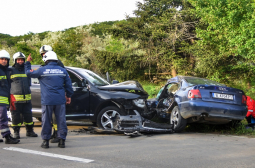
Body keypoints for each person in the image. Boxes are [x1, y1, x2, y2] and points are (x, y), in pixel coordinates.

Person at [25, 51, 73, 148]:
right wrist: (69, 96)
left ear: (45, 59)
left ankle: (45, 142)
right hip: (60, 100)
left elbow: (28, 73)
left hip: (47, 100)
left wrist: (28, 63)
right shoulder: (62, 70)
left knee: (46, 120)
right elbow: (69, 85)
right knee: (61, 120)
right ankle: (62, 141)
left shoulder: (42, 70)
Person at [10, 52, 38, 139]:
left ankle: (30, 131)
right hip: (15, 99)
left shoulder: (27, 70)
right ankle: (16, 132)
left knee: (29, 116)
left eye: (22, 59)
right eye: (18, 60)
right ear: (15, 60)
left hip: (27, 98)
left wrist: (28, 62)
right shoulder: (10, 71)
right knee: (16, 117)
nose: (20, 61)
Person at [39, 45, 64, 143]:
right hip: (54, 95)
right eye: (42, 54)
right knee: (53, 117)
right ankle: (56, 134)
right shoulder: (53, 64)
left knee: (55, 117)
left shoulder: (58, 65)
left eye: (45, 54)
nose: (43, 56)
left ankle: (57, 135)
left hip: (54, 96)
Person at [0, 50, 20, 144]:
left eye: (6, 59)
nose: (4, 61)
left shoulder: (6, 71)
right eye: (2, 59)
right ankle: (7, 137)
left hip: (4, 98)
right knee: (3, 118)